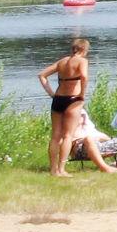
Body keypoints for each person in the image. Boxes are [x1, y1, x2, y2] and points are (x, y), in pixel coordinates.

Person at [37, 38, 92, 177]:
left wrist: (51, 93)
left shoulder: (62, 61)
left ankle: (52, 170)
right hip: (73, 99)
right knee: (68, 135)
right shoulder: (82, 61)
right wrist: (82, 94)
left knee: (55, 136)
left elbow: (42, 75)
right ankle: (61, 169)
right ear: (84, 50)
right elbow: (84, 77)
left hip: (58, 99)